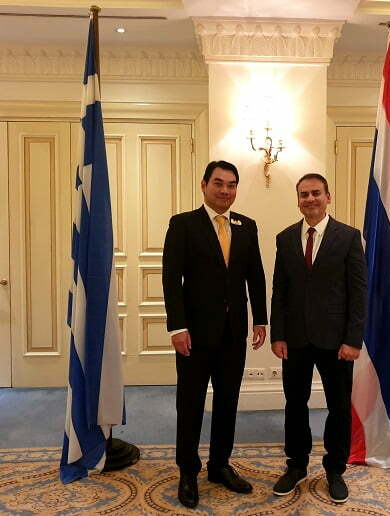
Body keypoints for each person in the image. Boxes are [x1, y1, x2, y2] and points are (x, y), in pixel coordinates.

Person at [162, 160, 268, 509]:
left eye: (231, 185)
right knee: (190, 403)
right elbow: (170, 279)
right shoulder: (183, 224)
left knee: (227, 401)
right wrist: (177, 327)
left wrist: (261, 319)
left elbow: (255, 275)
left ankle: (220, 465)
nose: (225, 191)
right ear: (204, 185)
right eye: (219, 183)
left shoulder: (246, 226)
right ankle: (188, 471)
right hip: (193, 334)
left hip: (233, 332)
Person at [270, 173, 367, 504]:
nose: (310, 199)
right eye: (304, 194)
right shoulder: (285, 238)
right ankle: (296, 465)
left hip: (337, 342)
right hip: (295, 339)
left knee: (338, 407)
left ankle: (335, 470)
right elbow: (279, 289)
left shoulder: (349, 237)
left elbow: (358, 292)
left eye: (315, 193)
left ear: (328, 196)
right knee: (295, 405)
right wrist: (278, 334)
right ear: (298, 200)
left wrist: (353, 339)